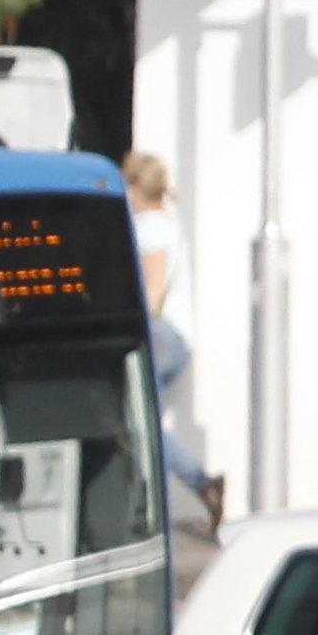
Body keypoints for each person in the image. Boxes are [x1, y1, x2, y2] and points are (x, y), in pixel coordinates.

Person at [125, 152, 221, 536]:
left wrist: (135, 330)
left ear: (135, 187)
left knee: (143, 427)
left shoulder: (148, 226)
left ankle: (157, 519)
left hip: (160, 336)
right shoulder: (167, 222)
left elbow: (152, 287)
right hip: (175, 337)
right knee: (147, 426)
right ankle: (201, 486)